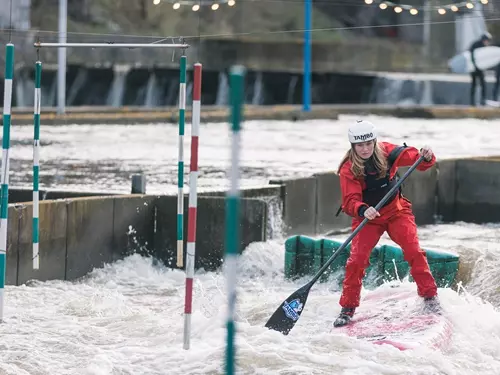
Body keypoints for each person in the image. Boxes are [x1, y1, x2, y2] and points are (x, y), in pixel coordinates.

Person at [333, 120, 441, 328]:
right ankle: (348, 308)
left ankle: (430, 297)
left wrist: (426, 154)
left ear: (373, 142)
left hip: (396, 212)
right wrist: (364, 209)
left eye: (368, 144)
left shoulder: (387, 151)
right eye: (360, 145)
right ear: (353, 146)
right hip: (368, 218)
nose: (365, 149)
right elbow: (349, 202)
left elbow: (419, 161)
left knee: (414, 251)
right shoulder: (348, 168)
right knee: (356, 261)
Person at [469, 32, 492, 106]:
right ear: (483, 39)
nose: (487, 42)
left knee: (483, 84)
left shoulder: (484, 46)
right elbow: (471, 55)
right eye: (487, 40)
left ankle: (483, 100)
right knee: (474, 85)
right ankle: (472, 102)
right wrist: (475, 66)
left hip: (480, 68)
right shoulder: (475, 45)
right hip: (474, 69)